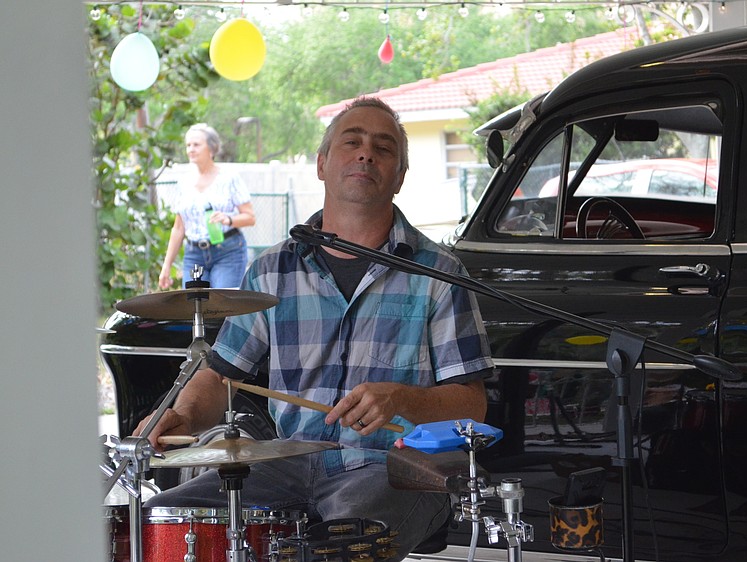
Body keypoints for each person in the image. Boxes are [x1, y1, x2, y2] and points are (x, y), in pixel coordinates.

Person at [134, 97, 494, 561]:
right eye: (352, 141)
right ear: (322, 164)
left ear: (400, 176)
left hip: (391, 469)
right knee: (156, 527)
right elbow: (221, 376)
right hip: (285, 463)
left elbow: (473, 405)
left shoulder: (439, 274)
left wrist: (404, 399)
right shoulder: (271, 272)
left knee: (340, 546)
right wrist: (182, 416)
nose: (366, 154)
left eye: (383, 148)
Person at [159, 123, 256, 289]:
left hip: (228, 251)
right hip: (194, 254)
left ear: (211, 148)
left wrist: (228, 219)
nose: (191, 149)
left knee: (222, 306)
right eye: (188, 145)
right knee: (193, 307)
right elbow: (178, 228)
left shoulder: (229, 178)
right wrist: (166, 266)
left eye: (196, 145)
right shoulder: (183, 182)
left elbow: (250, 217)